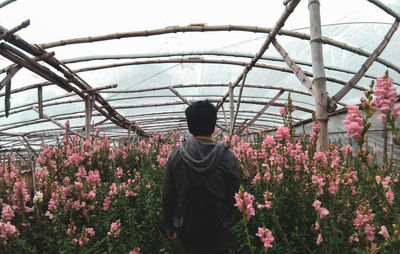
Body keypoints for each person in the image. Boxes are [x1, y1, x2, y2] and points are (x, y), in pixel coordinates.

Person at [162, 100, 240, 254]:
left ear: (190, 126)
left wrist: (169, 225)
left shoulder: (176, 155)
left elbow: (168, 194)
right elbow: (235, 194)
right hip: (218, 228)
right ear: (213, 124)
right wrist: (227, 219)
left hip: (185, 226)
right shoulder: (227, 156)